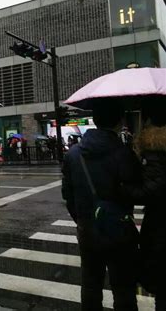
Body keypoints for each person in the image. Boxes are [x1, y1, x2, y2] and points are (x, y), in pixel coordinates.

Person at [61, 99, 141, 311]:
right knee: (124, 289)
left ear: (95, 120)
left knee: (90, 285)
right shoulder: (124, 153)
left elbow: (68, 195)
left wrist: (83, 219)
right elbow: (136, 192)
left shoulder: (73, 155)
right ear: (119, 121)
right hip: (119, 229)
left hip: (88, 230)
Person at [122, 97, 166, 311]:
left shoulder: (154, 147)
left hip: (160, 222)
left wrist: (126, 189)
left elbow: (152, 191)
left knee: (161, 280)